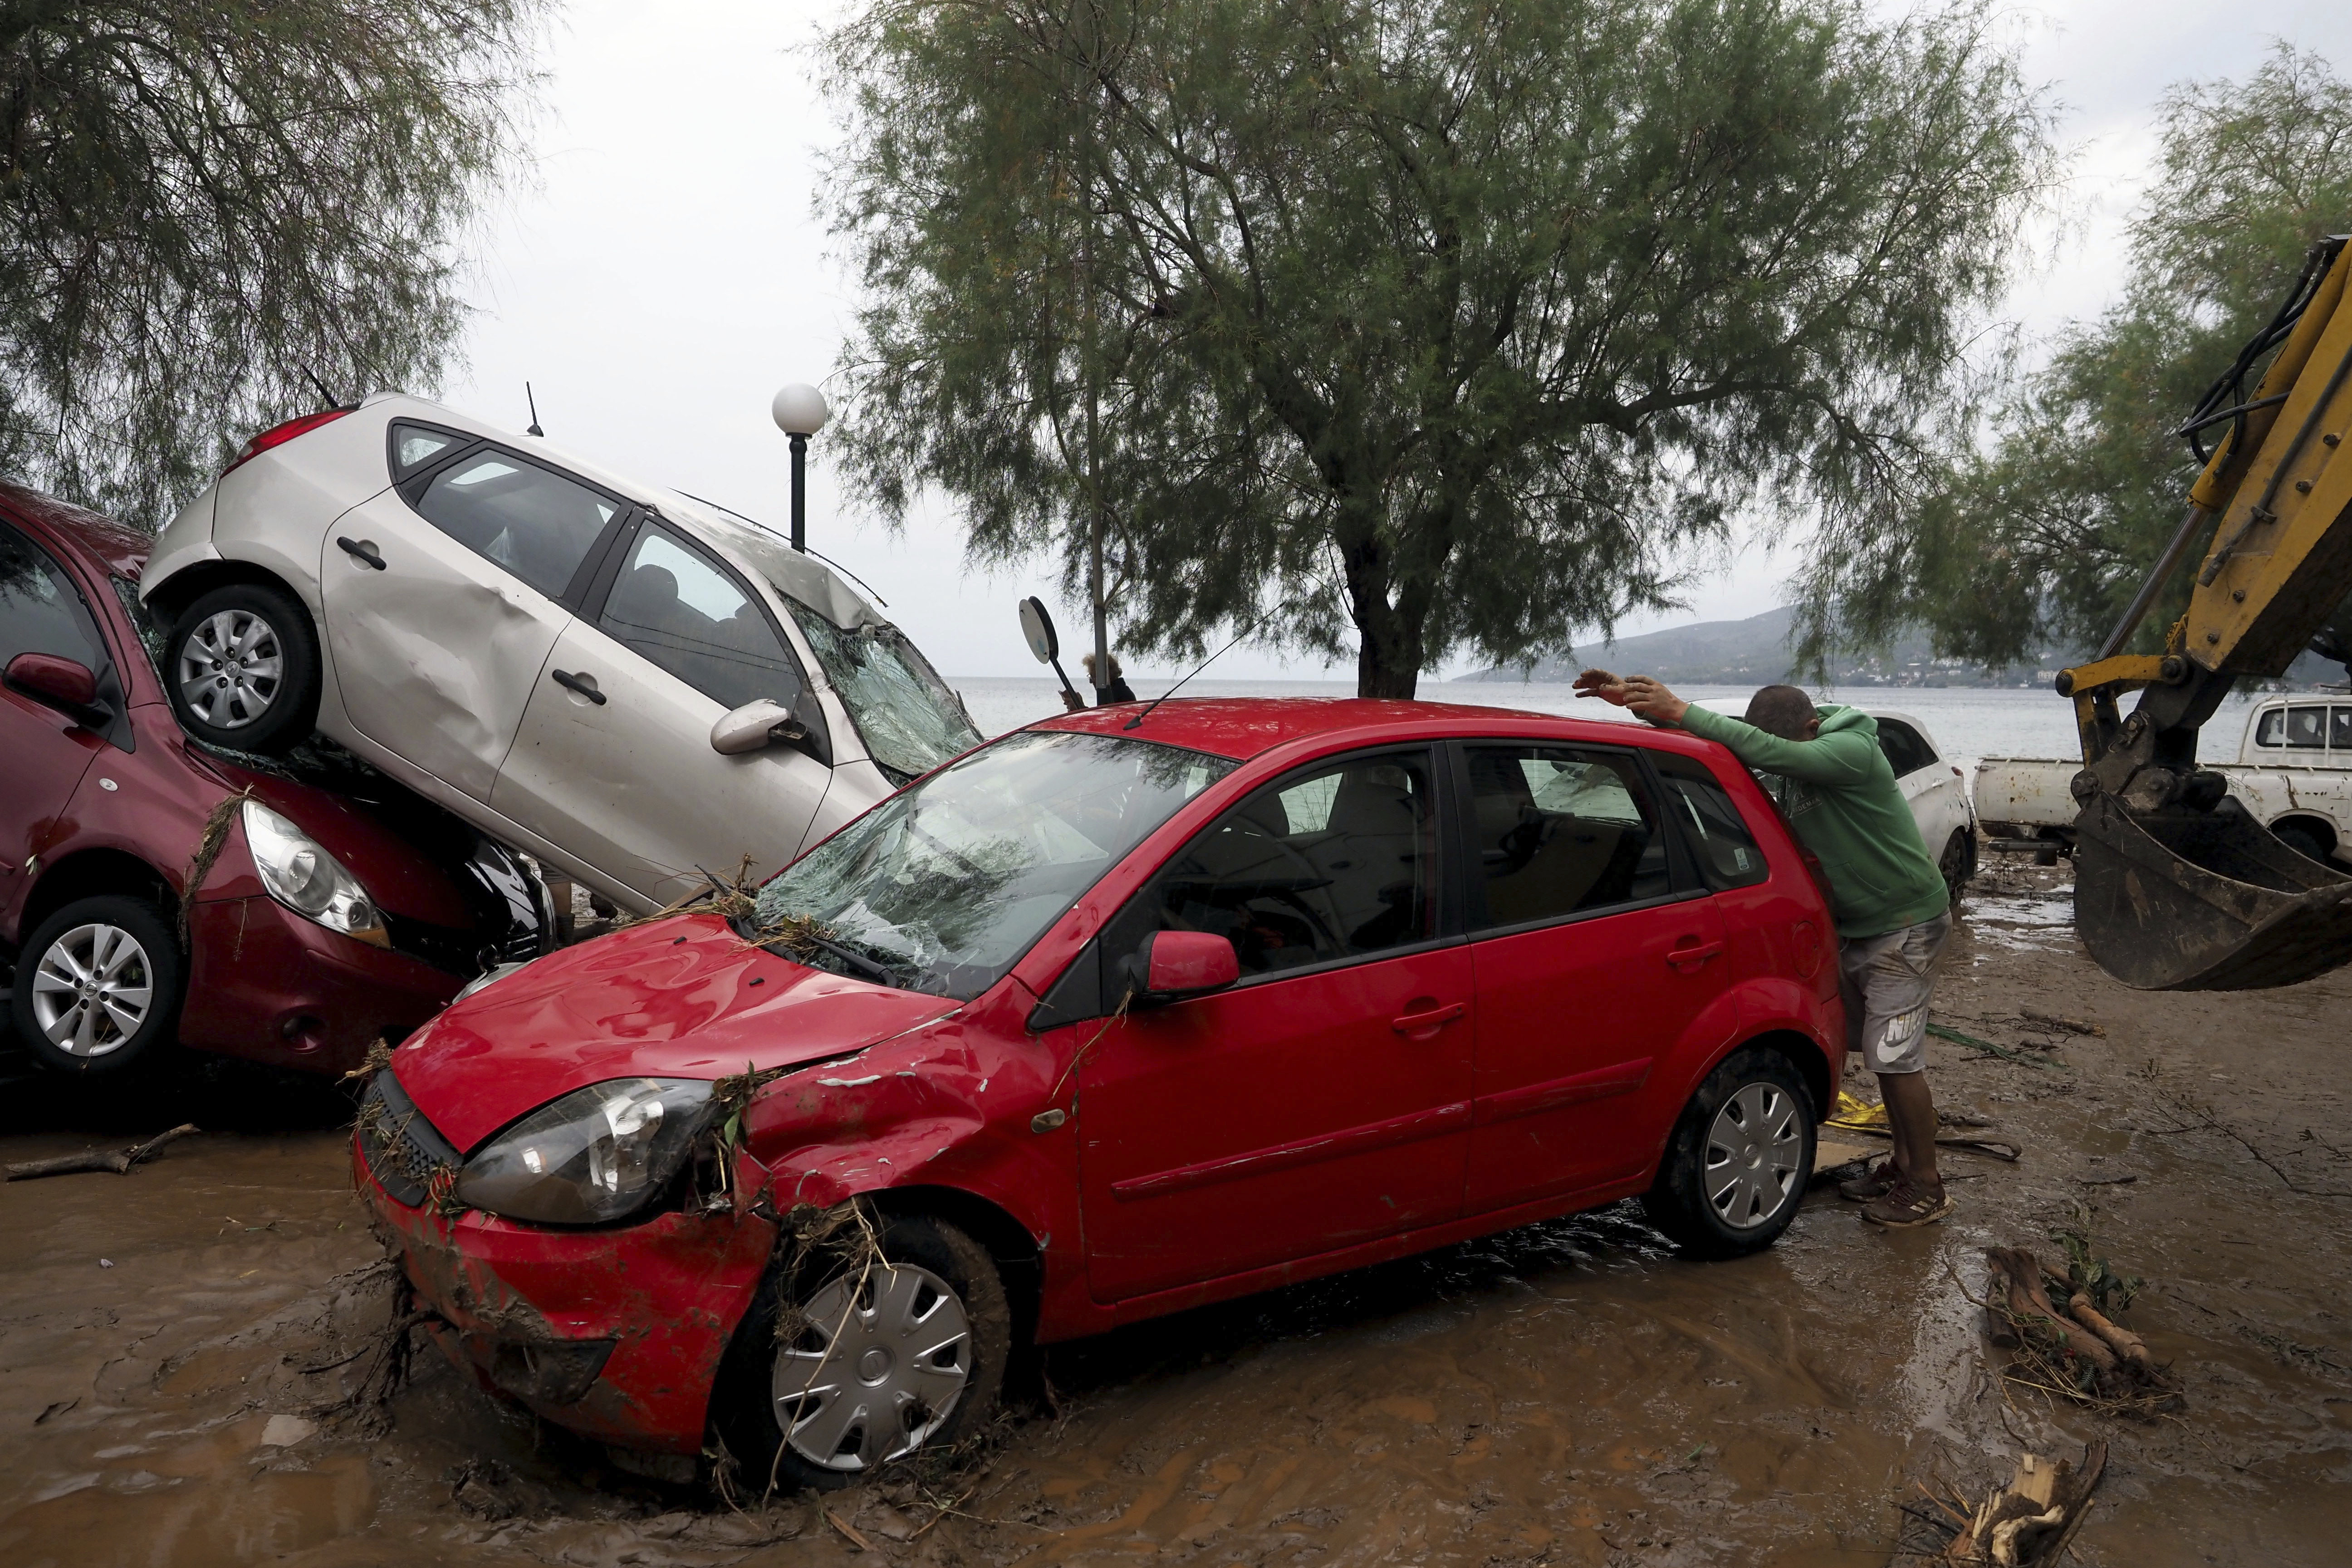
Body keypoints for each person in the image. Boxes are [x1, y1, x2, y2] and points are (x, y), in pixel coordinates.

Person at [1573, 670, 1957, 1228]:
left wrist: (1680, 708)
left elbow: (1772, 752)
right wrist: (1644, 706)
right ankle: (1901, 1163)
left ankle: (1927, 1184)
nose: (1778, 758)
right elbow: (1738, 742)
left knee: (1896, 1059)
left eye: (1788, 745)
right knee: (1880, 1054)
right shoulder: (1794, 745)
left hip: (1908, 926)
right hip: (1860, 927)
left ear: (1812, 726)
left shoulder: (1851, 749)